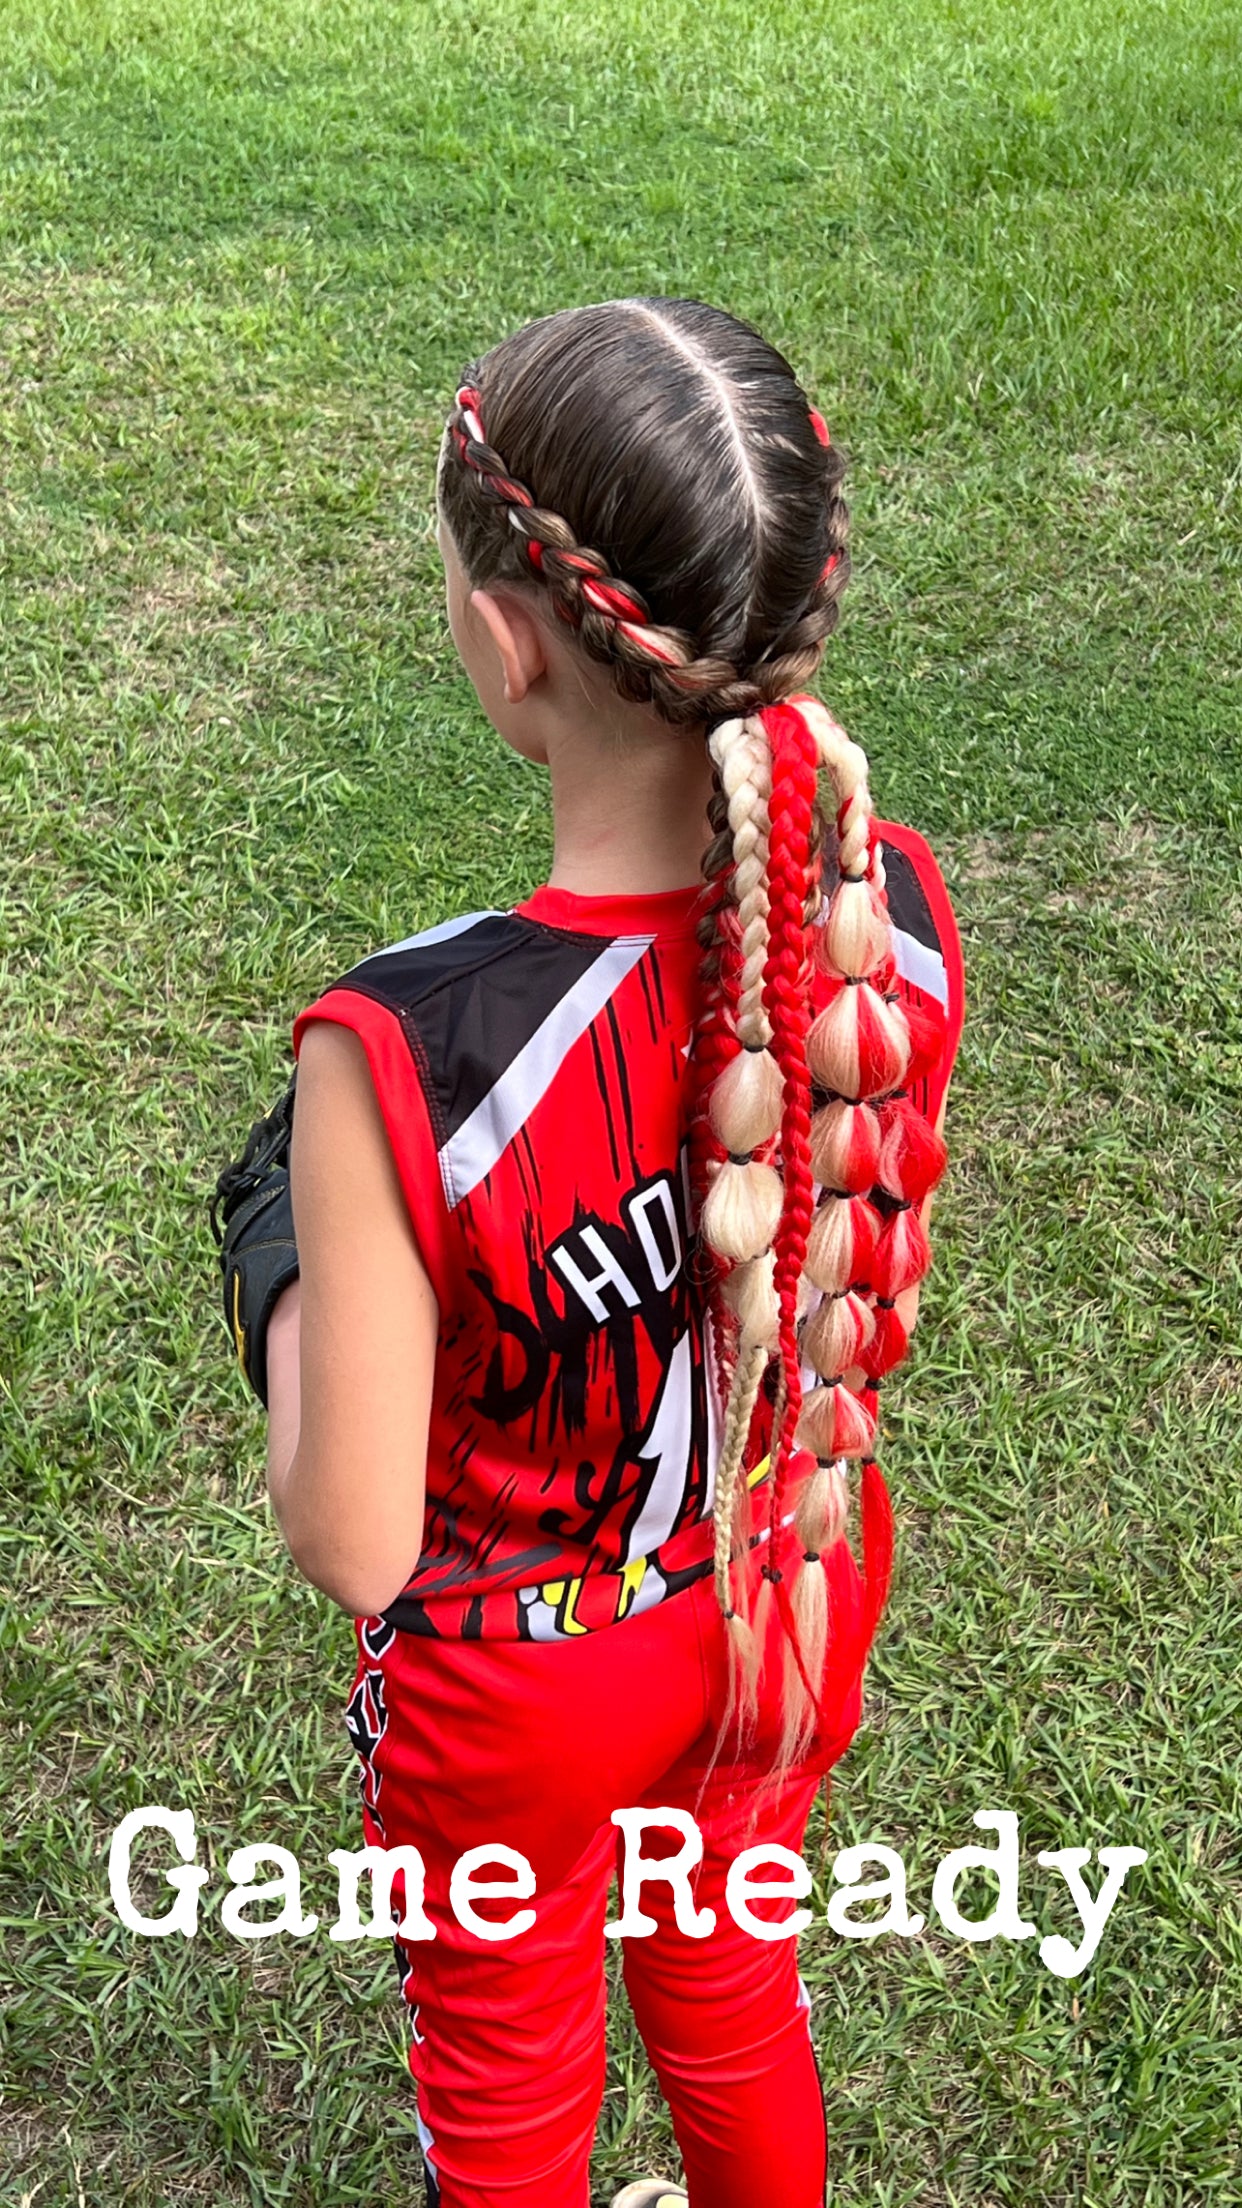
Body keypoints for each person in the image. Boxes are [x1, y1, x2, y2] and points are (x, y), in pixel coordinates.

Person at [218, 297, 965, 2208]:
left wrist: (281, 1257)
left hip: (522, 1690)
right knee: (728, 1985)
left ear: (499, 639)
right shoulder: (881, 912)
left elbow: (354, 1536)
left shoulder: (402, 1049)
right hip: (785, 1582)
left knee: (508, 2083)